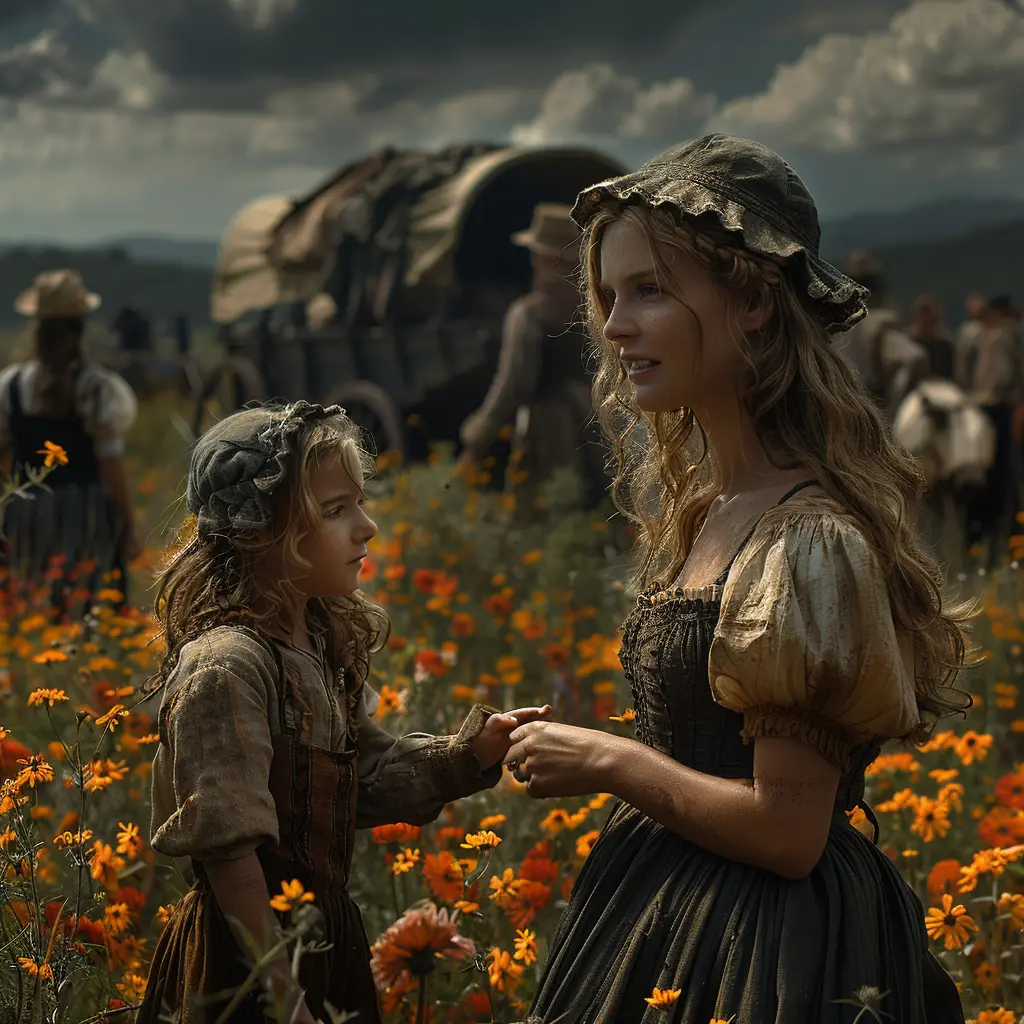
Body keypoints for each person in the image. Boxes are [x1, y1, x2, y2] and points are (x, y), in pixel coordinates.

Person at [503, 135, 971, 1023]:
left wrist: (605, 758)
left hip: (770, 950)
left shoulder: (810, 540)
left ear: (754, 302)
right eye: (608, 295)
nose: (612, 325)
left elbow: (789, 835)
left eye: (648, 290)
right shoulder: (715, 506)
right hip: (664, 912)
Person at [138, 401, 552, 1024]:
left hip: (322, 941)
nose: (367, 527)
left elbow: (359, 777)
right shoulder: (227, 667)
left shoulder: (315, 638)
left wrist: (470, 754)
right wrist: (283, 997)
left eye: (359, 502)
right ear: (259, 532)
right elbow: (230, 856)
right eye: (335, 510)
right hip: (249, 961)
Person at [0, 270, 142, 612]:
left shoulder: (12, 385)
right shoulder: (97, 388)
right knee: (85, 603)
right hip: (86, 515)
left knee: (29, 602)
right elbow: (110, 466)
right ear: (81, 328)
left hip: (25, 516)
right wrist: (128, 524)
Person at [458, 202, 606, 507]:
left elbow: (513, 385)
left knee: (546, 510)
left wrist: (477, 440)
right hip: (592, 418)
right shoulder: (593, 307)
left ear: (546, 259)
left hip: (548, 427)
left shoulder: (530, 313)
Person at [957, 293, 1022, 561]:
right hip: (986, 407)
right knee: (990, 472)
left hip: (997, 407)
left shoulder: (1003, 335)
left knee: (997, 472)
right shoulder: (980, 335)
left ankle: (996, 537)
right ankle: (986, 536)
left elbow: (1007, 375)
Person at [836, 250, 926, 419]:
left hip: (837, 404)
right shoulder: (881, 323)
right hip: (871, 406)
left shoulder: (832, 323)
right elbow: (914, 357)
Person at [908, 293, 957, 381]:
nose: (926, 317)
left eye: (927, 311)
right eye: (922, 311)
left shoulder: (945, 343)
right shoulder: (908, 341)